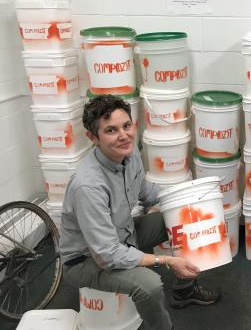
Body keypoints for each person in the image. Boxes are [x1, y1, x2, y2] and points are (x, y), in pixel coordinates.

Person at [60, 95, 221, 330]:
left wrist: (190, 201)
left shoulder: (129, 151)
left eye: (126, 125)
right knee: (150, 285)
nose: (124, 135)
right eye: (111, 130)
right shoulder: (88, 185)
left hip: (123, 235)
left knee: (187, 218)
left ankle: (185, 290)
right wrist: (164, 260)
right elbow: (107, 255)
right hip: (86, 259)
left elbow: (147, 192)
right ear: (93, 137)